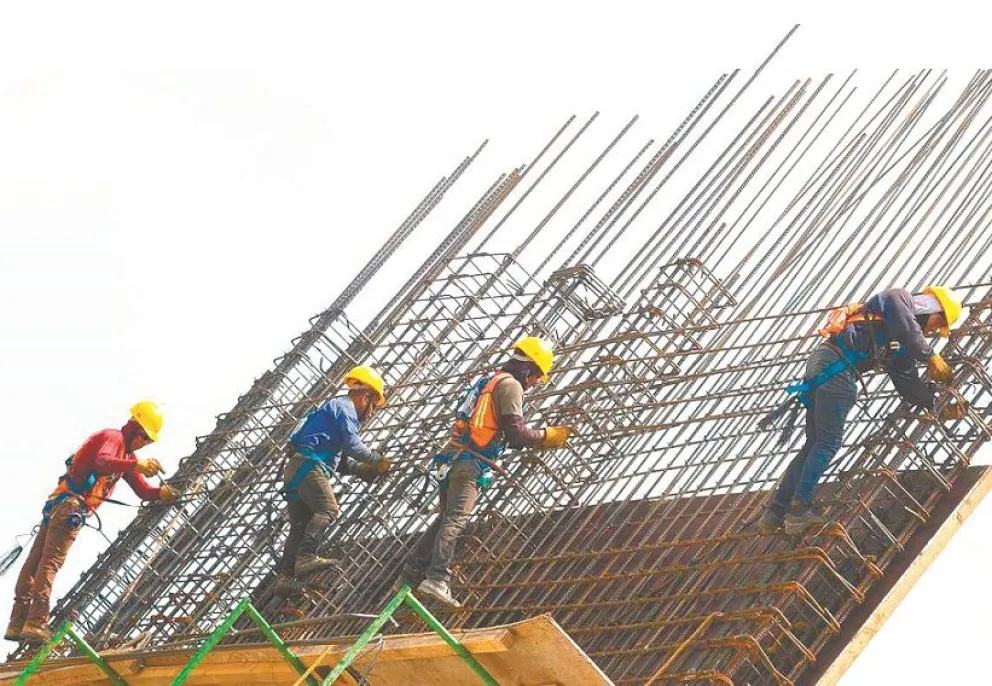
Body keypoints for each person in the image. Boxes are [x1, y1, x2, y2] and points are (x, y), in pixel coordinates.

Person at [758, 285, 966, 536]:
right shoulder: (898, 299)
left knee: (815, 444)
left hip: (824, 368)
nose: (932, 331)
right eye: (937, 325)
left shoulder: (898, 341)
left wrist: (935, 404)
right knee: (828, 443)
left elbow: (908, 382)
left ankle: (775, 513)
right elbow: (908, 328)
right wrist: (930, 356)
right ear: (934, 310)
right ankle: (799, 511)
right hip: (836, 369)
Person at [398, 336, 575, 608]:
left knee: (444, 518)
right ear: (528, 367)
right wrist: (545, 435)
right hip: (471, 463)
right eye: (537, 376)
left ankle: (409, 575)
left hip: (453, 458)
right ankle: (437, 578)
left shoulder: (488, 381)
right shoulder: (511, 385)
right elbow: (516, 434)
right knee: (455, 520)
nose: (536, 383)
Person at [5, 401, 180, 644]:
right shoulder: (113, 438)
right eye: (143, 436)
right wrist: (136, 464)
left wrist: (161, 493)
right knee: (48, 564)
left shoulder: (126, 456)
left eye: (149, 441)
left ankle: (17, 624)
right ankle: (35, 623)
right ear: (133, 426)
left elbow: (142, 490)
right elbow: (102, 461)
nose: (144, 443)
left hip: (60, 506)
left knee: (35, 564)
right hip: (69, 507)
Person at [274, 365, 391, 595]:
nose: (370, 413)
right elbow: (352, 445)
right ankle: (306, 557)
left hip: (298, 468)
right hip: (308, 467)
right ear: (365, 396)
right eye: (372, 406)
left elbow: (338, 459)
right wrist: (376, 459)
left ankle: (285, 578)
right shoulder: (344, 408)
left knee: (299, 527)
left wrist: (360, 470)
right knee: (328, 509)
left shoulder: (331, 411)